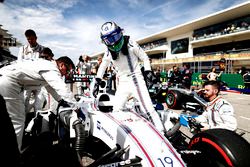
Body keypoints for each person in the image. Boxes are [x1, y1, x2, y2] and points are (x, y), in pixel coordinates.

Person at [91, 21, 165, 134]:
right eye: (109, 40)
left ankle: (162, 133)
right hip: (123, 83)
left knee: (149, 110)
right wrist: (97, 80)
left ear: (120, 33)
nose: (114, 42)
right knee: (116, 110)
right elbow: (103, 66)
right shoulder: (108, 52)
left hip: (137, 80)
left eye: (115, 37)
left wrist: (148, 72)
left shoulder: (131, 43)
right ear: (105, 41)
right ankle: (127, 133)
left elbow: (145, 58)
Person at [0, 56, 75, 151]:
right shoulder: (52, 69)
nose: (66, 74)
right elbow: (62, 88)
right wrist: (75, 106)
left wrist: (61, 101)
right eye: (67, 70)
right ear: (62, 65)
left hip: (5, 78)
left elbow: (50, 88)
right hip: (8, 83)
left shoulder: (46, 65)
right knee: (17, 121)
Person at [18, 29, 45, 113]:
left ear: (36, 38)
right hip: (26, 81)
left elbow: (44, 65)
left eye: (32, 39)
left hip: (39, 81)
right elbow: (19, 65)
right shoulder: (22, 49)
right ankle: (24, 123)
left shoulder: (42, 49)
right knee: (24, 103)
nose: (30, 41)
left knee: (38, 105)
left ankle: (37, 123)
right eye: (28, 39)